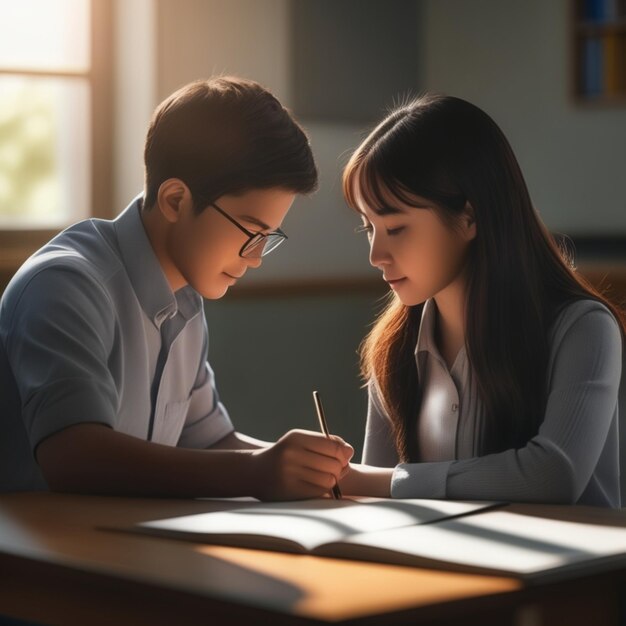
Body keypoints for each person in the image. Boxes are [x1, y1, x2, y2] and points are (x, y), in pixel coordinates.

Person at [0, 76, 353, 498]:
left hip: (129, 548)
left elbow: (212, 443)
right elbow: (73, 456)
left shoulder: (184, 300)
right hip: (38, 559)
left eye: (268, 238)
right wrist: (255, 473)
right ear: (175, 201)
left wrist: (385, 481)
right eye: (251, 232)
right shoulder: (65, 285)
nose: (256, 257)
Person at [339, 94, 624, 507]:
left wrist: (388, 483)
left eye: (396, 228)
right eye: (368, 227)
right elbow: (375, 502)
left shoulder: (582, 327)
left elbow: (553, 475)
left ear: (469, 218)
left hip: (569, 572)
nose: (376, 255)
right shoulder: (392, 347)